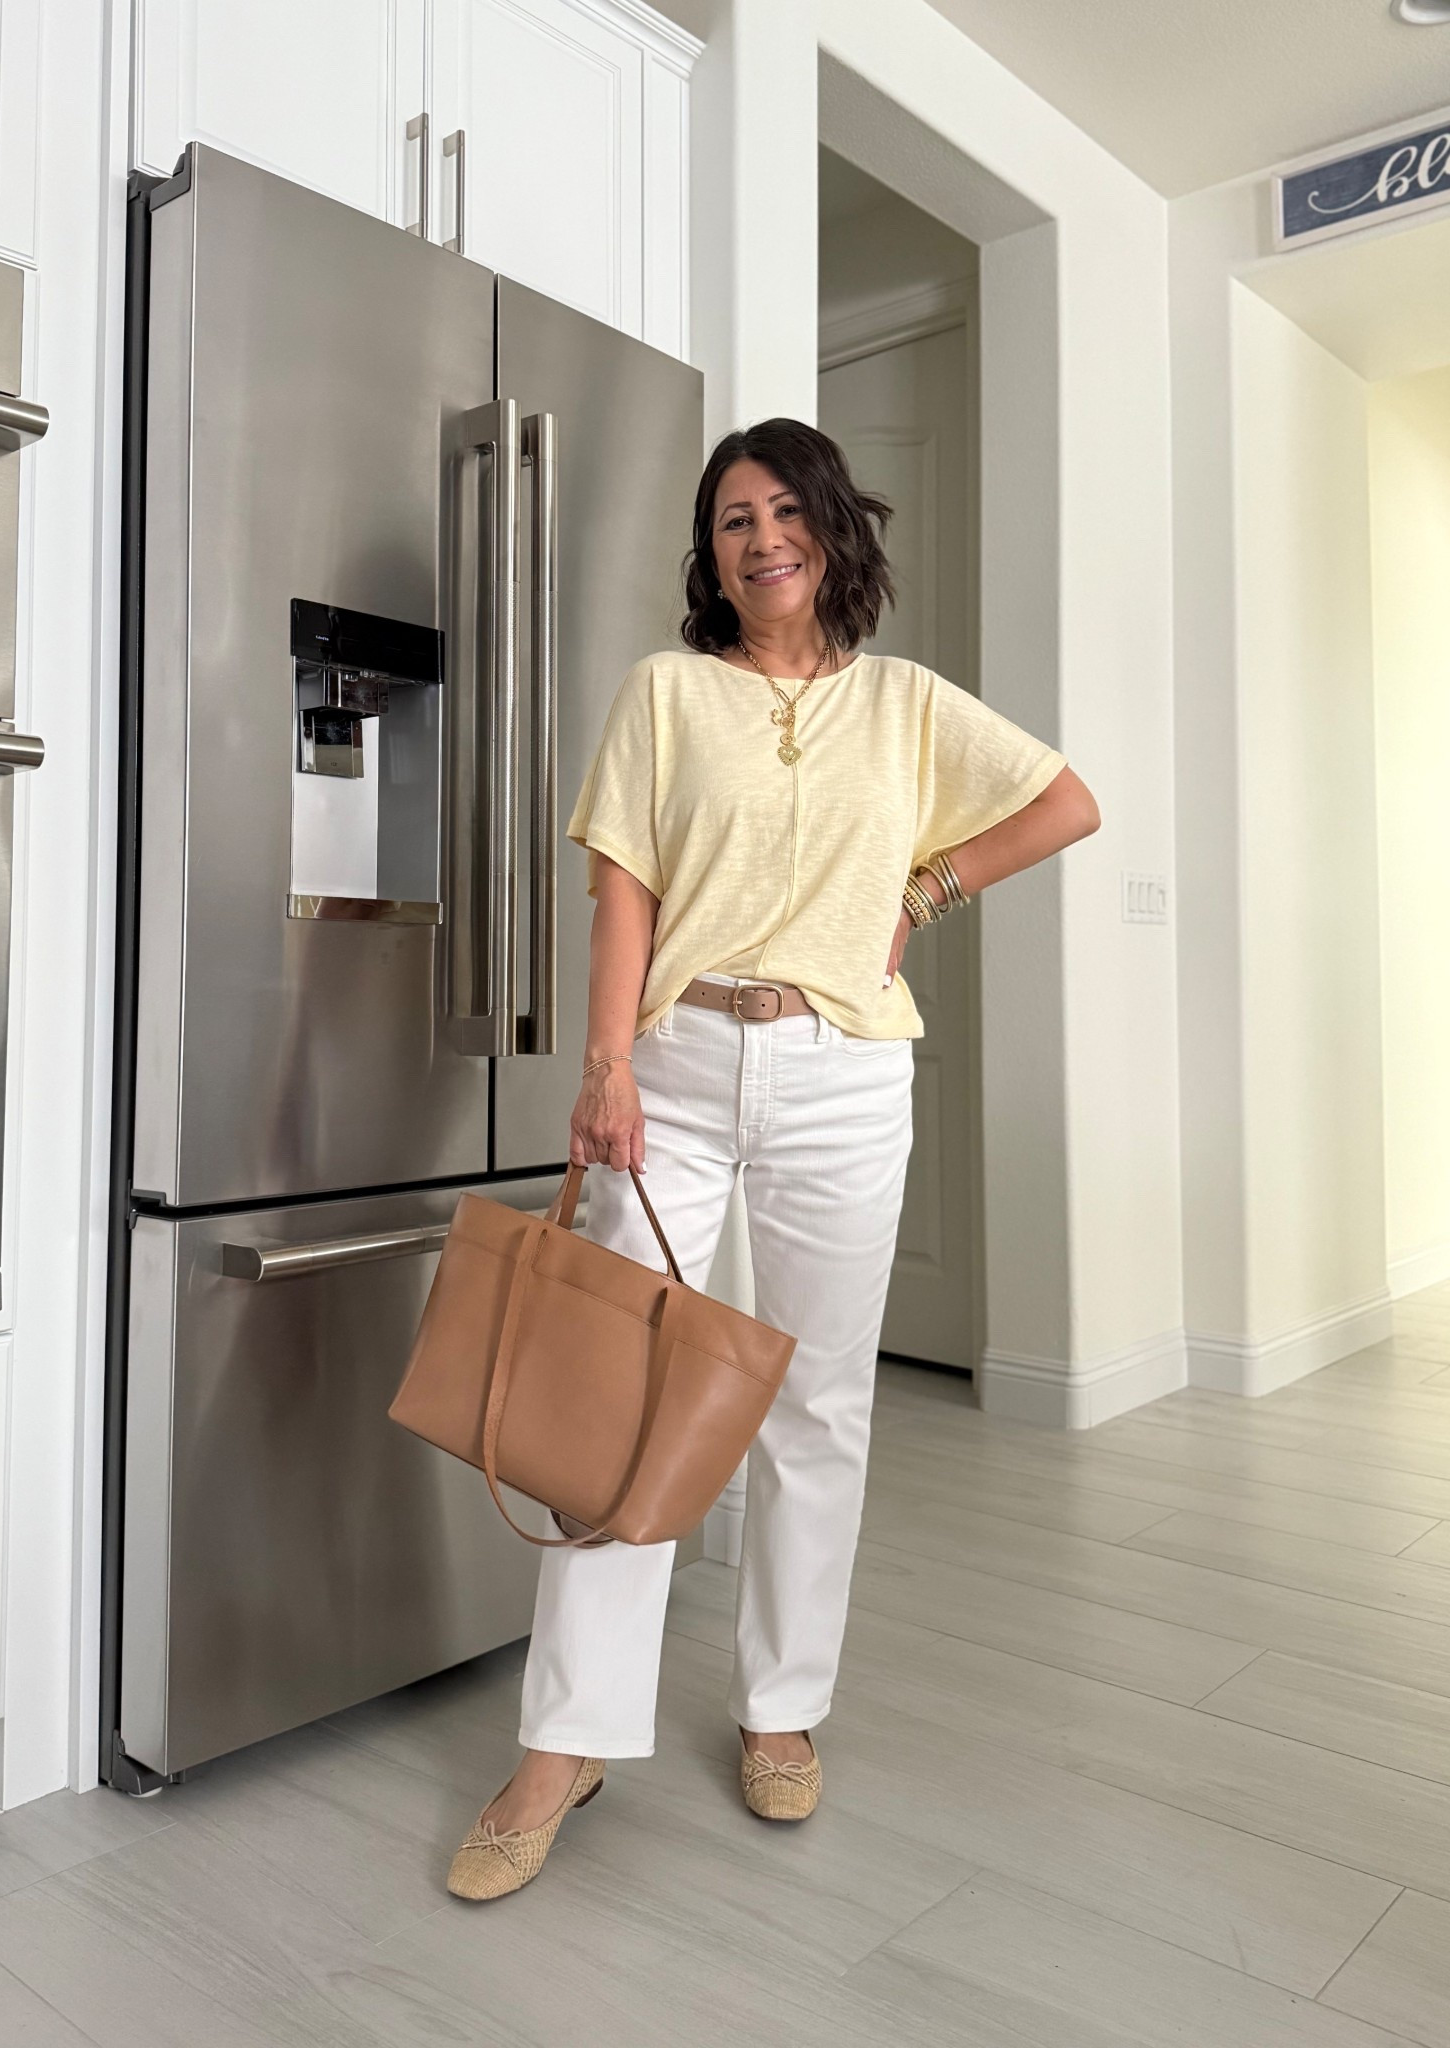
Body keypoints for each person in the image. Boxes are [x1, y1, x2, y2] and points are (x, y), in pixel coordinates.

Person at [446, 416, 1100, 1901]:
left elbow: (1068, 802)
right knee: (618, 1393)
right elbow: (624, 893)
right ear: (713, 552)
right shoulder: (668, 694)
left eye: (784, 509)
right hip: (675, 1065)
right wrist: (604, 1065)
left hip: (844, 1074)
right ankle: (567, 1740)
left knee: (819, 1400)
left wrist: (930, 887)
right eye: (732, 519)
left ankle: (781, 1706)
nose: (761, 538)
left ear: (831, 529)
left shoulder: (912, 707)